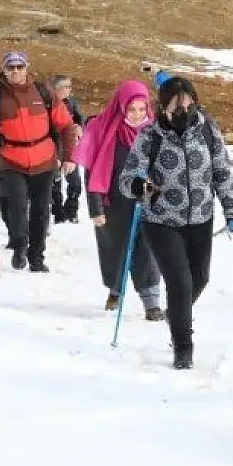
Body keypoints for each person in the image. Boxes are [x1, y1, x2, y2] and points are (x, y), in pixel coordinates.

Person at [117, 76, 233, 370]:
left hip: (200, 217)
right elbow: (127, 178)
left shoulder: (207, 130)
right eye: (177, 106)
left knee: (200, 279)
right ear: (163, 107)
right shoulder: (151, 136)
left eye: (189, 105)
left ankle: (177, 315)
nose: (184, 111)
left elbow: (222, 171)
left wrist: (232, 210)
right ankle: (183, 348)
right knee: (180, 283)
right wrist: (140, 186)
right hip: (161, 220)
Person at [0, 51, 79, 272]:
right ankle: (20, 245)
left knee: (41, 210)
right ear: (4, 70)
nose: (15, 71)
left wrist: (69, 156)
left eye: (19, 67)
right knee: (17, 206)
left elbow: (66, 125)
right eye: (11, 67)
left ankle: (37, 257)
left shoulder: (44, 92)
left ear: (27, 67)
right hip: (11, 160)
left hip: (43, 159)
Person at [71, 80, 165, 321]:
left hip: (149, 202)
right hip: (113, 204)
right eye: (131, 109)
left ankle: (151, 301)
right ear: (121, 107)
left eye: (142, 109)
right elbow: (92, 172)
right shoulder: (101, 129)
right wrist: (95, 208)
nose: (137, 115)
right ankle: (116, 289)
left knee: (148, 250)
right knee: (116, 250)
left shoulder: (157, 132)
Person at [48, 75, 86, 223]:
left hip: (69, 145)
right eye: (67, 86)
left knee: (75, 181)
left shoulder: (71, 102)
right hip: (53, 145)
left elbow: (79, 118)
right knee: (55, 181)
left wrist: (78, 127)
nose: (69, 90)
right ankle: (57, 213)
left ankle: (71, 211)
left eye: (70, 86)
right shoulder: (47, 103)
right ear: (57, 88)